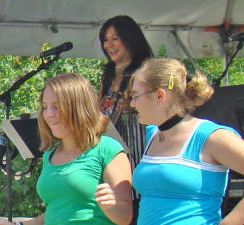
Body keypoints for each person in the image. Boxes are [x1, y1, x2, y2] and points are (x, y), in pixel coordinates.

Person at [0, 73, 133, 225]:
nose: (48, 114)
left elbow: (125, 217)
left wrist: (110, 207)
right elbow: (56, 211)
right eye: (45, 107)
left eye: (57, 107)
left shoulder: (107, 149)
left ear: (79, 107)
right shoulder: (50, 154)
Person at [129, 58, 244, 225]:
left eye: (135, 96)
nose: (132, 104)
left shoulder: (210, 136)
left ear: (160, 96)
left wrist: (231, 222)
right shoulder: (152, 134)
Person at [98, 15, 153, 224]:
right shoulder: (108, 74)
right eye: (105, 40)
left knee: (137, 202)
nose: (109, 45)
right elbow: (98, 109)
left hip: (139, 144)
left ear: (130, 38)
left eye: (114, 39)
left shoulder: (146, 68)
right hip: (113, 147)